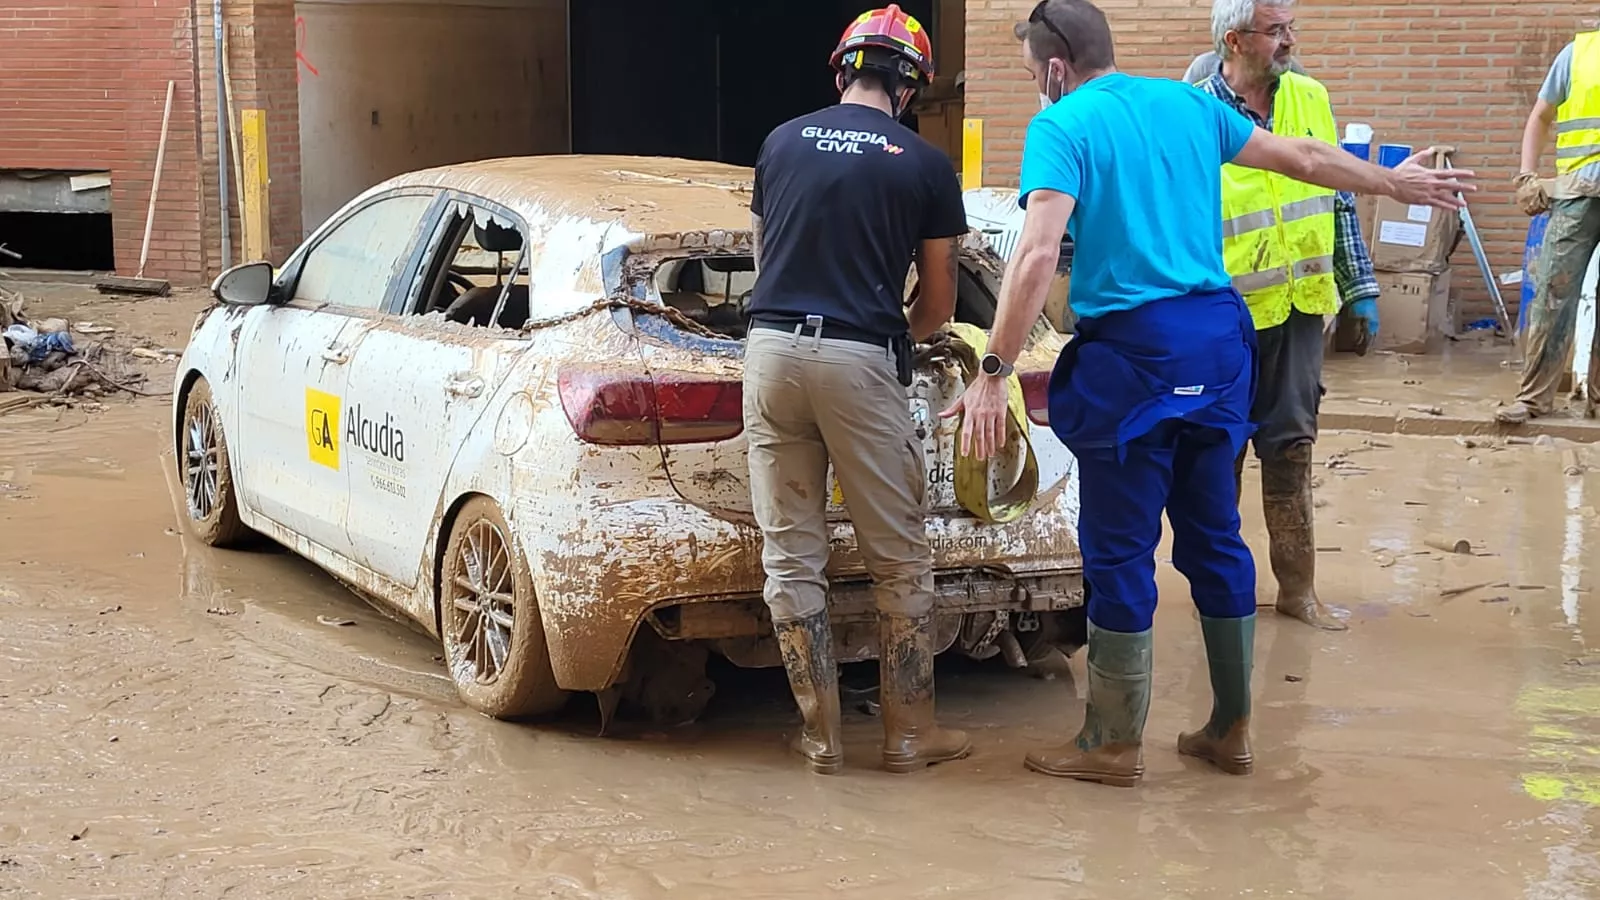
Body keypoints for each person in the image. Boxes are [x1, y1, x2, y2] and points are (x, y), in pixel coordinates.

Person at [941, 0, 1473, 787]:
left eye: (1031, 75)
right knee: (1214, 535)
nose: (1034, 88)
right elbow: (1304, 159)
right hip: (1219, 345)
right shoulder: (1190, 103)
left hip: (1134, 352)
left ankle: (1113, 744)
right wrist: (1392, 180)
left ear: (1055, 68)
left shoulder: (1063, 126)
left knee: (1120, 548)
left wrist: (994, 372)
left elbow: (1036, 253)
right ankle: (1231, 730)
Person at [744, 5, 972, 775]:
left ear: (842, 70)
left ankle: (819, 735)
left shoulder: (779, 143)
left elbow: (763, 257)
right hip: (859, 356)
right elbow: (938, 304)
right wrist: (888, 337)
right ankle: (910, 734)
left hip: (771, 351)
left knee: (791, 556)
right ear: (910, 89)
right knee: (899, 557)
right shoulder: (923, 164)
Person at [1191, 0, 1382, 632]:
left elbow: (1339, 194)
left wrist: (1360, 288)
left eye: (1290, 28)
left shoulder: (1310, 97)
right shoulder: (1192, 107)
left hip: (1302, 307)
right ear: (1236, 39)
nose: (1290, 41)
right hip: (1224, 314)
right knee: (1220, 449)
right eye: (1277, 31)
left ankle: (1297, 589)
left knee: (1292, 444)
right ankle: (1222, 596)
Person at [1499, 31, 1600, 424]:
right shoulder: (1579, 53)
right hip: (1576, 193)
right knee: (1553, 294)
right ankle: (1534, 400)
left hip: (1576, 194)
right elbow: (1541, 115)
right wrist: (1527, 176)